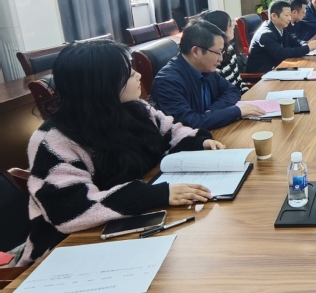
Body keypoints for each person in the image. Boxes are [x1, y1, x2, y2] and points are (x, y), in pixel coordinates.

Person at [18, 41, 220, 266]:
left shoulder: (135, 109)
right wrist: (151, 195)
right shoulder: (53, 139)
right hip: (72, 249)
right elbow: (71, 211)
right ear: (101, 84)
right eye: (129, 73)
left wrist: (200, 142)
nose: (138, 75)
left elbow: (171, 132)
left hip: (135, 229)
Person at [151, 20, 263, 129]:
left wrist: (211, 112)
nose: (221, 58)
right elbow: (189, 123)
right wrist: (236, 111)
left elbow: (232, 91)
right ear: (196, 51)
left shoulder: (205, 68)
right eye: (218, 52)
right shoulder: (167, 82)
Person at [246, 0, 316, 73]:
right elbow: (281, 53)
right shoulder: (265, 34)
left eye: (290, 15)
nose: (289, 19)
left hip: (277, 68)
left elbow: (294, 43)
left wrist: (306, 45)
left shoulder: (281, 28)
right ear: (274, 16)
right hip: (261, 75)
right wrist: (307, 48)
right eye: (286, 15)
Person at [201, 10, 248, 94]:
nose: (233, 27)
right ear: (219, 30)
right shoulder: (211, 60)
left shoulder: (230, 49)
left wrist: (248, 93)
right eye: (230, 25)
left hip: (239, 96)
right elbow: (222, 93)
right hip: (231, 99)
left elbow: (238, 81)